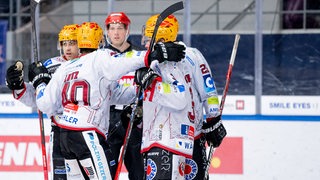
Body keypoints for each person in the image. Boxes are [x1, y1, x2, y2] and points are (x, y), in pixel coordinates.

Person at [27, 20, 185, 179]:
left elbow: (45, 104)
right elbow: (124, 61)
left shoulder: (65, 68)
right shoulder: (100, 58)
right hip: (87, 133)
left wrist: (40, 83)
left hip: (65, 137)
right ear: (100, 41)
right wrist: (152, 55)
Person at [137, 14, 227, 179]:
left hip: (191, 136)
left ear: (162, 36)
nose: (146, 42)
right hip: (166, 136)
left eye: (150, 37)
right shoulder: (151, 59)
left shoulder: (192, 55)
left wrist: (213, 118)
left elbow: (209, 90)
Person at [5, 23, 82, 180]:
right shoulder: (49, 66)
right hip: (59, 130)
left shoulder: (89, 63)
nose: (68, 48)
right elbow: (36, 98)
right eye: (64, 43)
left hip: (84, 129)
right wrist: (19, 86)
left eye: (72, 43)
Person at [104, 12, 144, 180]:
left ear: (127, 30)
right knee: (107, 171)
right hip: (109, 118)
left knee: (138, 172)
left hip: (134, 118)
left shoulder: (140, 57)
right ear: (107, 32)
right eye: (112, 28)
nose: (116, 32)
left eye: (120, 28)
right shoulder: (101, 57)